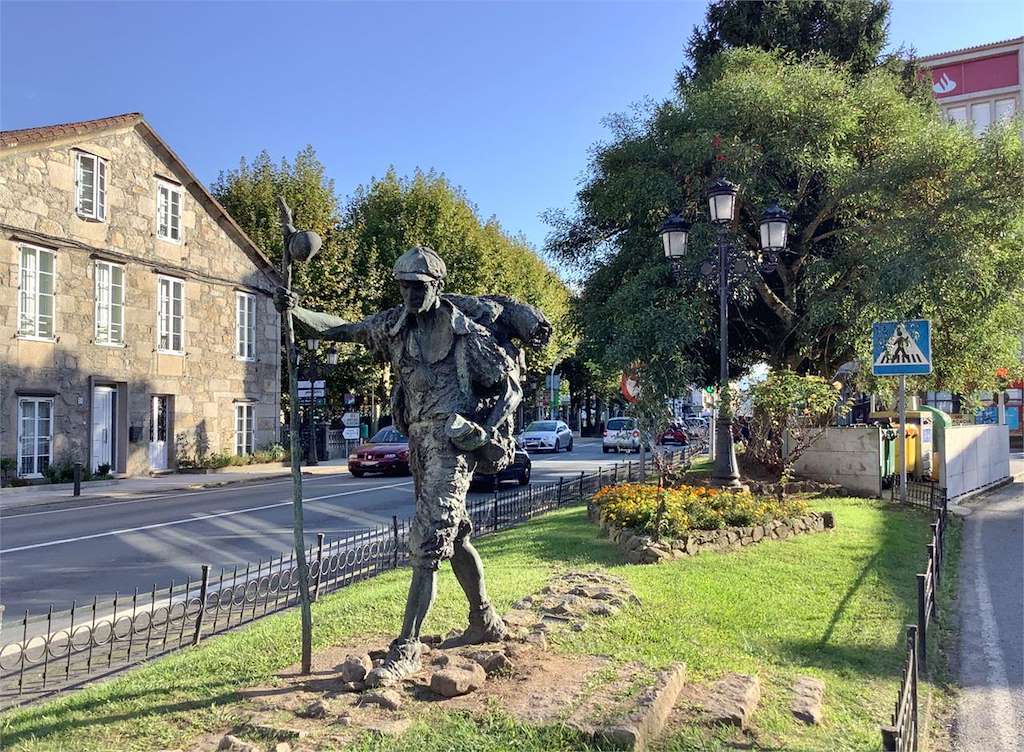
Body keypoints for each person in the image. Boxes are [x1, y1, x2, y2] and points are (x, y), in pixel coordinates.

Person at [275, 246, 550, 686]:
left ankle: (406, 647)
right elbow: (345, 330)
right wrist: (298, 311)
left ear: (436, 287)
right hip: (418, 440)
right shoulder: (393, 325)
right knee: (454, 535)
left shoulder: (465, 336)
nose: (409, 295)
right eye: (403, 286)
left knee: (427, 540)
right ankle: (484, 620)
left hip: (452, 443)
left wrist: (488, 432)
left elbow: (510, 388)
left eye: (418, 287)